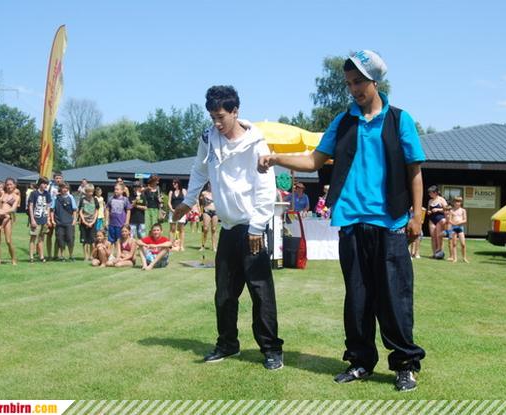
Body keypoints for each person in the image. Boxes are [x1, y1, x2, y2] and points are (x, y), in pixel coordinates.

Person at [258, 50, 426, 390]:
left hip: (390, 221)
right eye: (349, 83)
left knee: (394, 298)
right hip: (350, 220)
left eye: (359, 82)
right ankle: (361, 361)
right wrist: (276, 158)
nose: (354, 89)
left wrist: (417, 214)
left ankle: (405, 364)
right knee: (358, 298)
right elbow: (314, 160)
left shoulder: (399, 119)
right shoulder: (343, 121)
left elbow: (415, 170)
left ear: (375, 81)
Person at [173, 85, 284, 370]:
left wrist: (258, 227)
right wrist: (189, 200)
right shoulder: (208, 139)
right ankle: (227, 344)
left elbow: (266, 186)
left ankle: (271, 349)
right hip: (228, 227)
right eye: (212, 117)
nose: (217, 123)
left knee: (261, 292)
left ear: (235, 112)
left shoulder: (257, 143)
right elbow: (199, 170)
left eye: (221, 117)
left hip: (252, 227)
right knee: (224, 293)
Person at [0, 178, 20, 265]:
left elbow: (13, 209)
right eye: (7, 184)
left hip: (6, 218)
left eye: (11, 184)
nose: (9, 186)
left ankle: (13, 259)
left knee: (8, 240)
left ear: (14, 185)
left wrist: (2, 212)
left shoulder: (16, 197)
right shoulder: (2, 193)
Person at [50, 182, 77, 261]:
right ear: (60, 188)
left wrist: (74, 220)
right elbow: (52, 210)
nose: (65, 189)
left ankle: (71, 255)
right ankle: (62, 256)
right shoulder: (55, 198)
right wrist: (52, 220)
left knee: (70, 239)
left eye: (66, 188)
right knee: (60, 240)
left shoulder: (71, 197)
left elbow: (74, 210)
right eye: (63, 188)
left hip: (69, 222)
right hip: (59, 222)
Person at [28, 177, 52, 263]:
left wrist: (48, 219)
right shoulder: (34, 193)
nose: (45, 185)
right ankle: (31, 256)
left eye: (46, 184)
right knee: (33, 237)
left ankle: (41, 256)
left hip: (44, 219)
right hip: (36, 218)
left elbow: (48, 207)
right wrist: (32, 219)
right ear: (39, 184)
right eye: (44, 183)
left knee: (41, 238)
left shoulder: (47, 194)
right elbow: (30, 206)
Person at [105, 183, 132, 250]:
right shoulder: (111, 199)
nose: (115, 191)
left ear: (122, 191)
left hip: (121, 225)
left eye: (117, 189)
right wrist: (106, 221)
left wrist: (127, 222)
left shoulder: (125, 200)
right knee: (110, 240)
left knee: (120, 240)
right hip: (112, 224)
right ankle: (111, 254)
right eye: (115, 189)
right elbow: (107, 210)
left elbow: (128, 211)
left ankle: (119, 253)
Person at [78, 183, 99, 261]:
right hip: (84, 223)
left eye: (92, 191)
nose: (90, 193)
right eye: (89, 191)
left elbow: (97, 211)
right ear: (85, 192)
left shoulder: (95, 200)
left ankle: (91, 256)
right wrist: (84, 221)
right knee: (85, 241)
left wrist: (93, 222)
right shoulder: (82, 200)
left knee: (92, 240)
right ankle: (85, 256)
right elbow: (80, 211)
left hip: (92, 222)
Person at [46, 171, 65, 260]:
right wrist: (48, 216)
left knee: (59, 235)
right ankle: (49, 255)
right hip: (50, 211)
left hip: (59, 213)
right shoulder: (50, 187)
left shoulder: (64, 187)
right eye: (56, 178)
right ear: (54, 178)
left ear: (62, 178)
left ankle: (56, 255)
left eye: (60, 178)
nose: (58, 180)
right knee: (49, 234)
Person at [426, 185, 447, 259]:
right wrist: (428, 212)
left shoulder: (441, 199)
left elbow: (447, 209)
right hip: (432, 219)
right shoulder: (430, 201)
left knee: (439, 236)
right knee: (433, 237)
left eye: (430, 193)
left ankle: (440, 253)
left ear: (435, 192)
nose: (429, 194)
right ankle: (434, 253)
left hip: (440, 219)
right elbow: (428, 209)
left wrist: (438, 209)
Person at [168, 178, 187, 251]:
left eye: (175, 183)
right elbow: (169, 202)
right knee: (172, 229)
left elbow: (186, 201)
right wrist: (172, 210)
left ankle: (181, 246)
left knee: (181, 229)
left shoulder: (183, 191)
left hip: (181, 212)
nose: (173, 184)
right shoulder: (171, 192)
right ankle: (170, 246)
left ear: (178, 183)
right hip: (172, 211)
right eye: (173, 183)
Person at [448, 196, 469, 263]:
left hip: (460, 227)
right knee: (454, 243)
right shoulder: (451, 211)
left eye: (459, 202)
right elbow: (449, 220)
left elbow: (465, 220)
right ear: (453, 202)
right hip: (454, 228)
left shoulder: (463, 210)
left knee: (463, 244)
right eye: (456, 202)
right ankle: (455, 258)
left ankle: (464, 258)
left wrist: (458, 223)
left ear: (461, 203)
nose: (457, 203)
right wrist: (453, 223)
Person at [199, 182, 218, 251]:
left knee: (214, 229)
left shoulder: (216, 192)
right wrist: (200, 210)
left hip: (215, 211)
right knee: (205, 228)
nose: (211, 186)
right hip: (207, 211)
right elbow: (200, 202)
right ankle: (203, 246)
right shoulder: (204, 193)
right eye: (210, 184)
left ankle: (214, 246)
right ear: (208, 185)